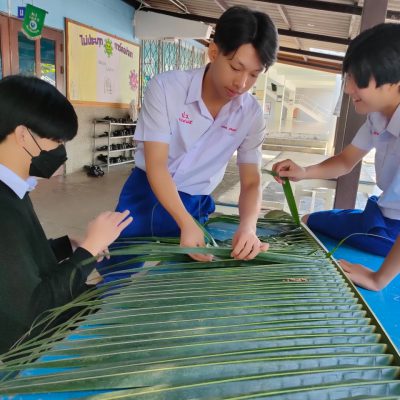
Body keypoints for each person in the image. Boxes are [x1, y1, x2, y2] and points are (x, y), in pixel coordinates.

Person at [114, 6, 278, 262]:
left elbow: (251, 181)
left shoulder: (251, 114)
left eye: (254, 75)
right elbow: (157, 165)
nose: (242, 83)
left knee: (182, 277)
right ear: (213, 52)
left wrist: (248, 227)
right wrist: (184, 222)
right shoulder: (166, 88)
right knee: (119, 267)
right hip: (145, 192)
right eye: (235, 68)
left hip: (196, 201)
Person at [0, 75, 132, 354]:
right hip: (31, 349)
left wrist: (64, 246)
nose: (61, 151)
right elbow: (32, 313)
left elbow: (13, 265)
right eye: (57, 141)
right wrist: (88, 251)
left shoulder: (14, 189)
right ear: (23, 135)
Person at [272, 23, 400, 290]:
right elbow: (345, 161)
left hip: (392, 233)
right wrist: (304, 172)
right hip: (378, 214)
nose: (348, 89)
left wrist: (378, 278)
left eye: (359, 79)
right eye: (349, 77)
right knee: (309, 220)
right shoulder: (377, 117)